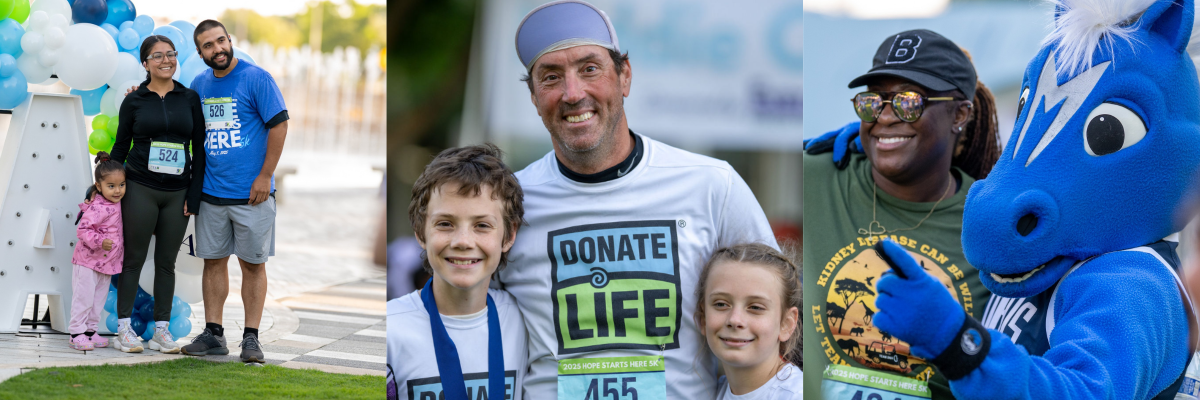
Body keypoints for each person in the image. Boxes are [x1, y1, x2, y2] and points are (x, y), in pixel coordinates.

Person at [501, 2, 778, 398]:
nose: (573, 93)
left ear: (625, 76)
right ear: (533, 97)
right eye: (550, 77)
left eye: (590, 69)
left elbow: (776, 318)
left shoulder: (712, 185)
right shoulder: (510, 203)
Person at [802, 29, 1000, 398]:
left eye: (908, 102)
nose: (885, 116)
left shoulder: (991, 222)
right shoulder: (814, 177)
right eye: (872, 102)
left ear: (959, 113)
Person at [179, 19, 289, 364]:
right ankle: (214, 334)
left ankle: (251, 338)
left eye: (220, 41)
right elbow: (179, 120)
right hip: (211, 193)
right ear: (200, 53)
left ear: (229, 40)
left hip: (252, 195)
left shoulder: (257, 78)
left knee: (253, 265)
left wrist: (265, 176)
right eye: (208, 46)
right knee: (213, 263)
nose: (217, 49)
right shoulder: (199, 84)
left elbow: (280, 125)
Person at [387, 145, 528, 400]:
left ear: (509, 235)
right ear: (420, 231)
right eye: (445, 224)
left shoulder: (525, 321)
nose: (463, 241)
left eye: (482, 225)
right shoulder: (390, 329)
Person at [109, 35, 207, 354]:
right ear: (145, 63)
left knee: (166, 263)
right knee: (133, 260)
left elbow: (199, 149)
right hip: (141, 188)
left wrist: (194, 193)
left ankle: (161, 332)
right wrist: (104, 186)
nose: (166, 60)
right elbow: (120, 147)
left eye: (171, 54)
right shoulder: (134, 100)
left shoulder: (189, 98)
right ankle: (124, 330)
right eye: (158, 56)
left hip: (177, 193)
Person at [695, 243, 803, 400]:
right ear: (703, 318)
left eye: (755, 307)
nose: (735, 320)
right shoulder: (709, 392)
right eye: (721, 304)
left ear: (786, 324)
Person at [67, 153, 127, 351]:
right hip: (87, 261)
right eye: (111, 186)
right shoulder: (98, 206)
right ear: (99, 186)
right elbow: (83, 230)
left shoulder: (119, 203)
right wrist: (101, 241)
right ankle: (76, 333)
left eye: (121, 185)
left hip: (106, 264)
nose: (117, 190)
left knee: (98, 300)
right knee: (83, 298)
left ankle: (90, 331)